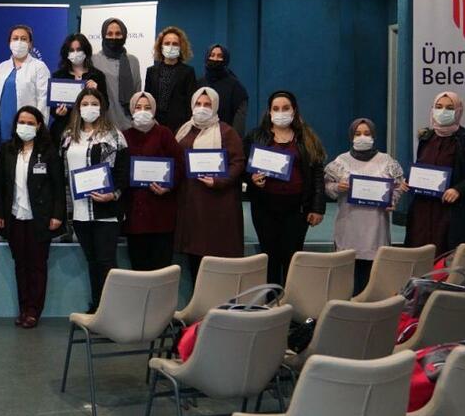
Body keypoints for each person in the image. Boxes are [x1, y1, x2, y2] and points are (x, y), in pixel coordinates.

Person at [0, 106, 65, 328]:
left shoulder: (49, 151)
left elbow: (58, 186)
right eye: (21, 122)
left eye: (30, 122)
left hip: (40, 217)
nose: (25, 126)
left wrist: (57, 214)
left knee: (37, 265)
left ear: (39, 125)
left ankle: (34, 310)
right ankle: (23, 308)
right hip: (14, 216)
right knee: (20, 265)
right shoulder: (8, 150)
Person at [244, 90, 326, 285]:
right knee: (270, 257)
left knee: (292, 258)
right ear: (269, 112)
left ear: (294, 110)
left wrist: (317, 207)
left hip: (297, 210)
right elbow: (242, 166)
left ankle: (292, 303)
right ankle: (271, 303)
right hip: (265, 209)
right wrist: (252, 178)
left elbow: (317, 174)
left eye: (285, 108)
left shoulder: (307, 138)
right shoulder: (256, 136)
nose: (281, 112)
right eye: (276, 108)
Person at [59, 88, 130, 312]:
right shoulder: (69, 135)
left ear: (101, 107)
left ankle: (112, 311)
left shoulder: (114, 135)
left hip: (106, 210)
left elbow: (122, 173)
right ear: (78, 107)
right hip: (79, 212)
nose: (90, 107)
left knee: (106, 262)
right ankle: (97, 307)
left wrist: (113, 194)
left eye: (94, 103)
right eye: (85, 103)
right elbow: (63, 171)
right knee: (92, 262)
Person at [173, 87, 247, 283]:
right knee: (194, 257)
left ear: (215, 106)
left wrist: (219, 180)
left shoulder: (226, 131)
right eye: (199, 104)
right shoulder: (184, 130)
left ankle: (217, 306)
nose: (202, 108)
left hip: (217, 204)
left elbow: (238, 162)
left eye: (207, 104)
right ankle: (198, 308)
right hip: (190, 203)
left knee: (217, 257)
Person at [324, 118, 405, 295]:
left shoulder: (386, 161)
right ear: (351, 136)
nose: (362, 137)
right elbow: (327, 188)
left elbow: (399, 186)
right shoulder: (340, 161)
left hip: (375, 228)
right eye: (358, 134)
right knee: (349, 278)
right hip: (349, 227)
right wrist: (338, 187)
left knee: (373, 277)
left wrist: (393, 200)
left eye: (367, 134)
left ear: (374, 136)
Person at [404, 91, 465, 253]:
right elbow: (422, 168)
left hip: (450, 214)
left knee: (446, 258)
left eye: (449, 108)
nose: (443, 112)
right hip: (423, 211)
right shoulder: (426, 138)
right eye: (439, 107)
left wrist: (458, 189)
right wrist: (410, 181)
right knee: (420, 255)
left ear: (458, 111)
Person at [121, 92, 180, 272]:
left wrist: (168, 186)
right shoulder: (124, 136)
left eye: (147, 108)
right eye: (138, 108)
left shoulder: (164, 133)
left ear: (154, 110)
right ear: (131, 110)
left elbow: (180, 165)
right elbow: (119, 170)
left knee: (162, 271)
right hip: (135, 216)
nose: (142, 111)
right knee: (139, 269)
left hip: (161, 214)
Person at [0, 24, 50, 152]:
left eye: (23, 38)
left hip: (27, 129)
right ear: (9, 42)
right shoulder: (1, 68)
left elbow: (43, 100)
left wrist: (38, 128)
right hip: (2, 128)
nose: (19, 42)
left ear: (30, 44)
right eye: (15, 38)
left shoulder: (39, 67)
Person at [49, 33, 105, 143]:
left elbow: (105, 105)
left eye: (79, 49)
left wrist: (97, 90)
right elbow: (52, 109)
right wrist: (58, 112)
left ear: (86, 51)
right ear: (66, 53)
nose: (75, 53)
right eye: (71, 50)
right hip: (62, 129)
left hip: (90, 129)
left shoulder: (97, 76)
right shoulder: (58, 76)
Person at [144, 27, 197, 131]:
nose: (171, 46)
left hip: (179, 125)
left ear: (181, 47)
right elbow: (148, 99)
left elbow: (190, 102)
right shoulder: (151, 71)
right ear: (161, 46)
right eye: (167, 43)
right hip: (155, 123)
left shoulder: (188, 72)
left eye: (175, 44)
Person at [95, 18, 142, 131]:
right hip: (103, 125)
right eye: (109, 33)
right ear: (103, 35)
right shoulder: (94, 60)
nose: (114, 37)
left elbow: (137, 91)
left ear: (124, 36)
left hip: (130, 125)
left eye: (118, 34)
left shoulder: (133, 61)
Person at [196, 44, 250, 137]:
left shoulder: (235, 86)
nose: (215, 59)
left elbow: (239, 118)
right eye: (212, 55)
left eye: (219, 56)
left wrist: (234, 139)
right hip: (199, 135)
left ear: (226, 60)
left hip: (224, 137)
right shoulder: (199, 83)